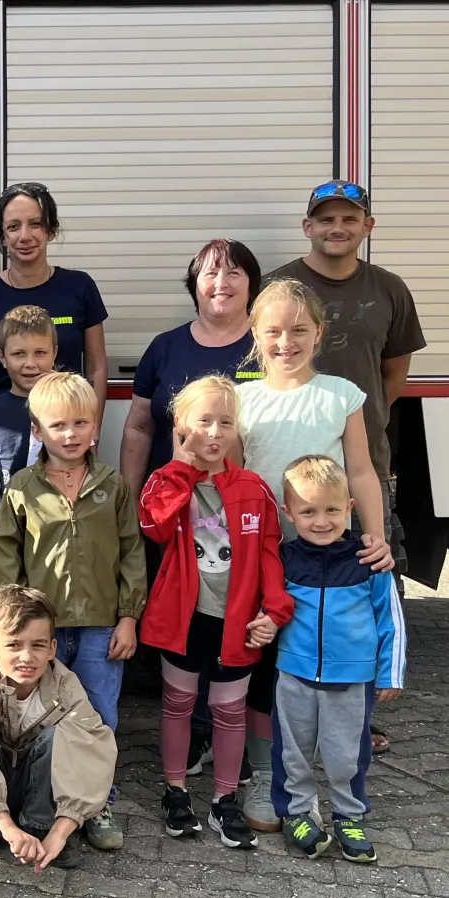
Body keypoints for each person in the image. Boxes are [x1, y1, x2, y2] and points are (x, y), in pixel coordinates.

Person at [233, 278, 393, 832]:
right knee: (264, 666)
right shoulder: (243, 399)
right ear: (254, 335)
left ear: (319, 333)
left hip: (326, 558)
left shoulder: (340, 394)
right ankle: (263, 775)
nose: (286, 341)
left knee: (313, 660)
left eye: (300, 329)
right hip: (261, 556)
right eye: (273, 331)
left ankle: (338, 776)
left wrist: (376, 535)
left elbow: (363, 471)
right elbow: (229, 478)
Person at [0, 371, 145, 851]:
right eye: (58, 425)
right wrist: (7, 626)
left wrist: (128, 616)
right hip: (41, 632)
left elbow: (131, 550)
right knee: (39, 716)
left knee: (97, 715)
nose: (71, 434)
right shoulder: (22, 487)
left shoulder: (113, 484)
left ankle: (96, 805)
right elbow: (4, 556)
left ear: (95, 426)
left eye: (81, 423)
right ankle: (42, 799)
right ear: (37, 431)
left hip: (100, 627)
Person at [137, 376, 292, 850]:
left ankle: (226, 799)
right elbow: (155, 527)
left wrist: (275, 610)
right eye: (203, 420)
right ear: (182, 425)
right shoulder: (165, 481)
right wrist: (181, 468)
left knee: (229, 711)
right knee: (178, 704)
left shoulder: (252, 487)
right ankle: (176, 791)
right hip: (183, 619)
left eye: (225, 422)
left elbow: (270, 552)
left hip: (238, 622)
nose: (214, 432)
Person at [271, 182, 425, 585]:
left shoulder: (389, 289)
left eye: (349, 219)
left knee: (370, 577)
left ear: (368, 225)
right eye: (326, 219)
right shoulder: (276, 288)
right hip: (285, 471)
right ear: (308, 227)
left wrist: (356, 416)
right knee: (283, 589)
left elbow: (394, 374)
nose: (336, 228)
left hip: (365, 466)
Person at [273, 454, 406, 863]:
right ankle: (295, 813)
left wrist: (390, 673)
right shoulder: (284, 559)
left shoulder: (369, 561)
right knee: (292, 750)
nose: (322, 521)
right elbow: (269, 607)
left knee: (347, 752)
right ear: (289, 513)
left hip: (352, 679)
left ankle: (349, 815)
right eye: (308, 511)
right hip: (293, 673)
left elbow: (391, 620)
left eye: (332, 509)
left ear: (349, 508)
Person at [0, 585, 117, 870]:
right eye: (14, 645)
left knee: (63, 736)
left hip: (38, 786)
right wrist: (6, 826)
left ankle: (39, 826)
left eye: (38, 645)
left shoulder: (65, 686)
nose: (26, 657)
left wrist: (62, 830)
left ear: (52, 649)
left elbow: (92, 750)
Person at [120, 239, 263, 497]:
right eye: (210, 273)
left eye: (233, 273)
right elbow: (138, 428)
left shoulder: (269, 348)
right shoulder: (164, 347)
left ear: (251, 283)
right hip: (167, 507)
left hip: (245, 508)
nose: (221, 283)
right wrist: (128, 503)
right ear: (194, 285)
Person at [0, 183, 109, 409]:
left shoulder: (80, 287)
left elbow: (96, 368)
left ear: (50, 230)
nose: (25, 236)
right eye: (13, 226)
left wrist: (92, 433)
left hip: (63, 431)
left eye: (35, 224)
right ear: (2, 236)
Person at [0, 305, 55, 482]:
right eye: (19, 354)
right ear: (2, 358)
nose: (30, 363)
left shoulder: (71, 407)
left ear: (54, 353)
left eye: (40, 352)